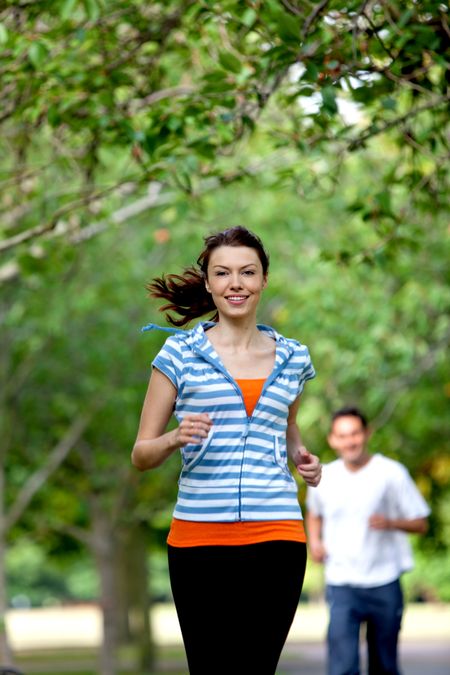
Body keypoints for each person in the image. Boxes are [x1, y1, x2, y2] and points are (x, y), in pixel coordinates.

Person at [132, 226, 321, 675]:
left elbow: (288, 424)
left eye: (247, 272)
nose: (236, 283)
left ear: (263, 280)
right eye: (223, 273)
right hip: (199, 539)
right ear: (209, 283)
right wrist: (175, 437)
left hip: (277, 535)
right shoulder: (178, 354)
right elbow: (141, 453)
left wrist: (301, 457)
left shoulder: (294, 357)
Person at [306, 406, 430, 675]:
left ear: (367, 433)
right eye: (342, 435)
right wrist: (314, 541)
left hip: (384, 582)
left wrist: (390, 522)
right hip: (341, 583)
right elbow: (314, 513)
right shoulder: (324, 477)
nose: (350, 441)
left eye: (355, 433)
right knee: (342, 667)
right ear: (332, 440)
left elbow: (421, 522)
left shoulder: (391, 473)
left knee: (384, 666)